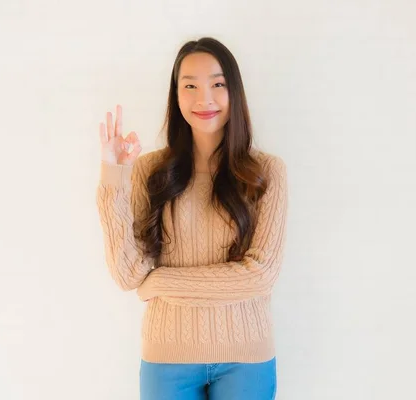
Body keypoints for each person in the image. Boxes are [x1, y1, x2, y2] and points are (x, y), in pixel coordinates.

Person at [95, 37, 288, 400]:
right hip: (166, 358)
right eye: (190, 86)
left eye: (218, 84)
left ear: (235, 91)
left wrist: (160, 283)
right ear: (176, 94)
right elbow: (128, 275)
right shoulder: (150, 170)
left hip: (246, 357)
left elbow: (260, 276)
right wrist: (113, 175)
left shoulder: (267, 172)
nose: (205, 99)